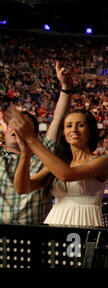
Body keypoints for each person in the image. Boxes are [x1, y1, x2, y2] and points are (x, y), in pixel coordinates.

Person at [0, 61, 72, 224]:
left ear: (32, 134)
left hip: (35, 234)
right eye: (13, 124)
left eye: (22, 126)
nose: (16, 129)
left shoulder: (43, 154)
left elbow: (58, 120)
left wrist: (66, 86)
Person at [11, 109, 108, 227]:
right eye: (68, 126)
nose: (74, 129)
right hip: (55, 220)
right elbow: (22, 188)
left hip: (84, 222)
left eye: (81, 125)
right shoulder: (60, 163)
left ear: (90, 132)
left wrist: (31, 139)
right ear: (63, 133)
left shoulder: (100, 162)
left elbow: (66, 175)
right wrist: (25, 154)